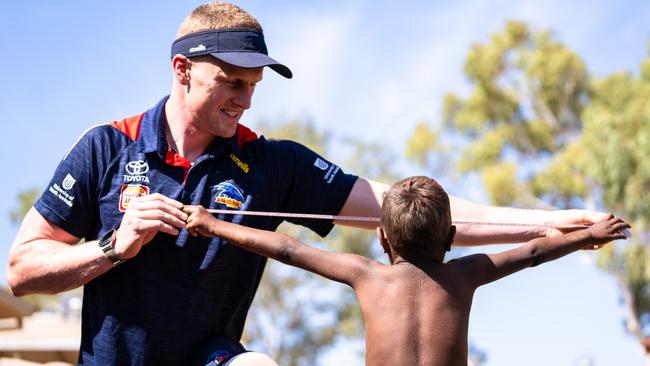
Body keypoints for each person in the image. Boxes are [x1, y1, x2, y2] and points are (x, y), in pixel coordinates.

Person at [6, 2, 610, 365]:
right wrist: (114, 245)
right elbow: (22, 271)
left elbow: (398, 211)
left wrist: (552, 224)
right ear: (182, 71)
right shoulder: (106, 147)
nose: (246, 100)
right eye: (232, 83)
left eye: (254, 86)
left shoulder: (273, 164)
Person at [184, 176, 630, 366]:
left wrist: (214, 223)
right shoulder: (465, 273)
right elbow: (532, 253)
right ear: (452, 236)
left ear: (383, 239)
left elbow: (285, 247)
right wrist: (585, 233)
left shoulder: (366, 274)